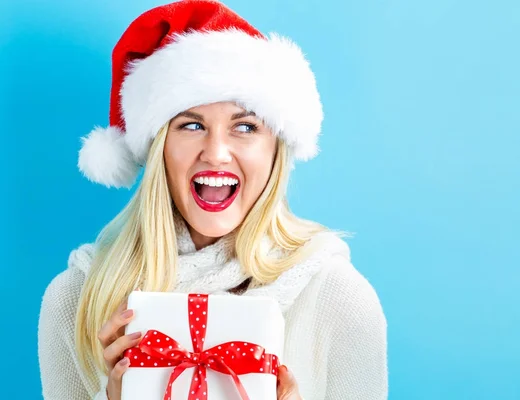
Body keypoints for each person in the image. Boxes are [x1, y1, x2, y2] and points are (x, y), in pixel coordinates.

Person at [37, 1, 388, 399]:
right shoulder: (77, 298)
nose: (217, 152)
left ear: (276, 150)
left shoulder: (337, 297)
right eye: (190, 124)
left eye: (245, 126)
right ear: (159, 148)